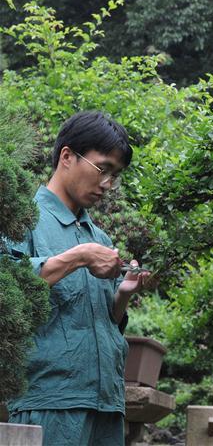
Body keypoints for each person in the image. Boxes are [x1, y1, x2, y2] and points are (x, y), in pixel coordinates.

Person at [4, 111, 151, 446]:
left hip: (106, 402)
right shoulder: (21, 219)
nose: (107, 184)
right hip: (50, 401)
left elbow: (106, 318)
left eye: (116, 175)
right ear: (67, 156)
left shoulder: (99, 238)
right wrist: (78, 257)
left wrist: (124, 293)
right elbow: (9, 289)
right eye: (103, 168)